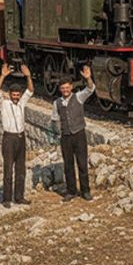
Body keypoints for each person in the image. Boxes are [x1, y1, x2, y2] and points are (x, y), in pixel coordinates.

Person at [50, 65, 96, 202]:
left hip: (79, 134)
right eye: (62, 88)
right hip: (65, 137)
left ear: (71, 87)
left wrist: (88, 78)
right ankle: (71, 191)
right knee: (68, 165)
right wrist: (58, 133)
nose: (65, 90)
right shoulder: (56, 103)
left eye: (67, 87)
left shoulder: (79, 97)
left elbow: (90, 89)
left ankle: (85, 191)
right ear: (60, 89)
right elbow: (55, 119)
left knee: (82, 164)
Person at [0, 62, 34, 208]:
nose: (16, 97)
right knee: (8, 169)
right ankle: (6, 198)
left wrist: (28, 76)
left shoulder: (22, 103)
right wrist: (2, 76)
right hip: (9, 138)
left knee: (21, 169)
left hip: (21, 138)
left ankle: (19, 197)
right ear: (10, 95)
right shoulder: (4, 104)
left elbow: (30, 90)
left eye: (17, 95)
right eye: (14, 95)